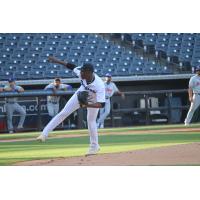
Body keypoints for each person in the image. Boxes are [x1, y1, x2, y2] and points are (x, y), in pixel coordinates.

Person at [37, 56, 105, 155]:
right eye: (81, 71)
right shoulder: (81, 73)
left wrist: (86, 105)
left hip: (94, 100)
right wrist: (56, 61)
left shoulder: (99, 85)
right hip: (81, 93)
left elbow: (101, 104)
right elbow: (71, 66)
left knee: (91, 121)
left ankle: (94, 146)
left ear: (90, 73)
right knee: (64, 112)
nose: (81, 73)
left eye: (83, 71)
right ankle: (44, 134)